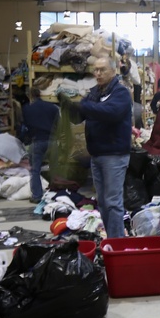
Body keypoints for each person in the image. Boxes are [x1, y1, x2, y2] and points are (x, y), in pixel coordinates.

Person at [61, 55, 133, 238]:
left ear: (113, 71)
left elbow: (111, 113)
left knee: (113, 202)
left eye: (102, 70)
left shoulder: (121, 93)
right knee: (102, 202)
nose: (98, 74)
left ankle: (117, 244)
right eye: (96, 70)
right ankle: (111, 238)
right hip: (97, 155)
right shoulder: (95, 92)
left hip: (114, 156)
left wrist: (84, 107)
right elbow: (83, 114)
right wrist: (71, 108)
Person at [21, 87, 59, 203]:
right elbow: (58, 124)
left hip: (37, 140)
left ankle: (37, 196)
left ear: (29, 96)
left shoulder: (27, 109)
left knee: (35, 170)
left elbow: (25, 126)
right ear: (40, 94)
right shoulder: (52, 107)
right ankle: (57, 194)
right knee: (55, 169)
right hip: (52, 140)